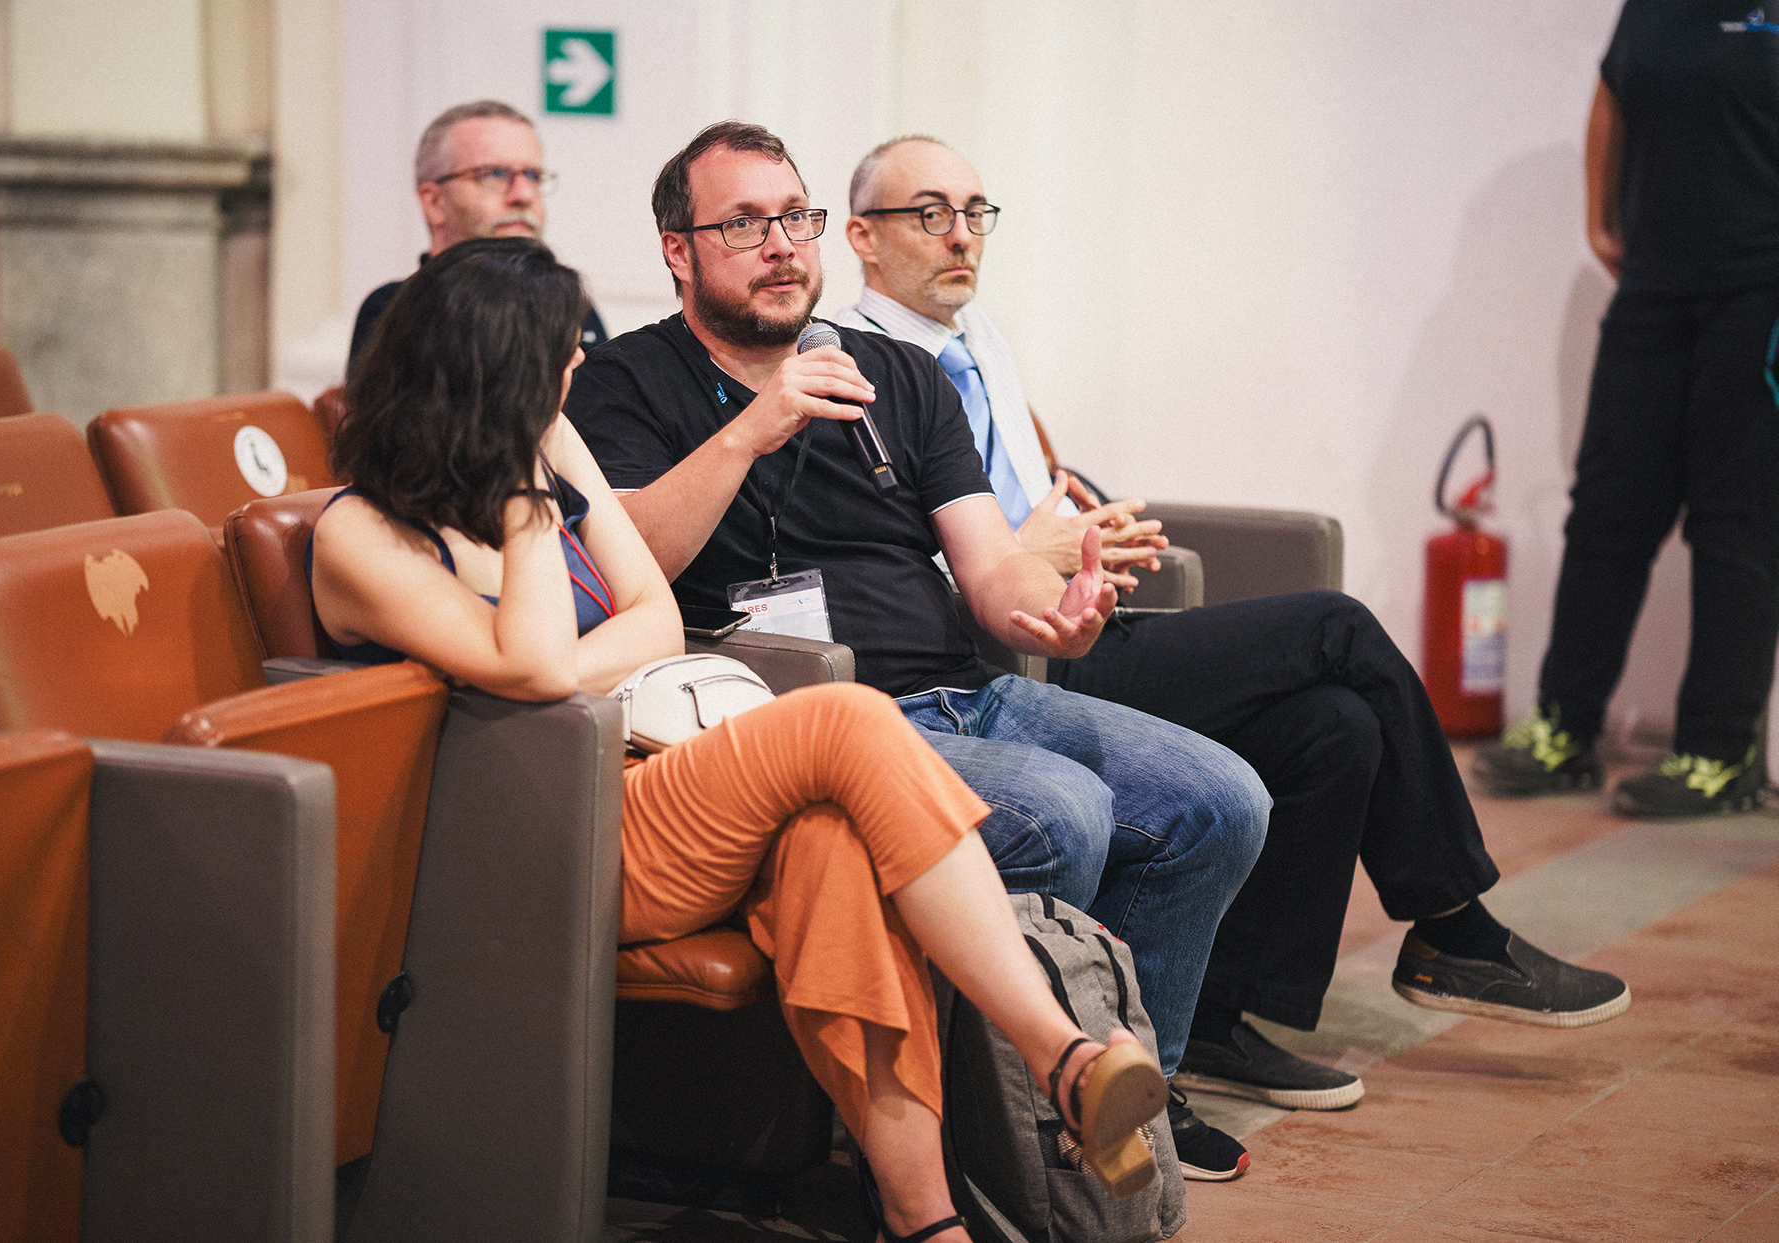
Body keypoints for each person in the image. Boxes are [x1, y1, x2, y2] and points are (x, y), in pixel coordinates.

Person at [307, 236, 1172, 1242]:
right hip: (550, 836)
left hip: (663, 786)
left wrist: (547, 635)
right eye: (557, 352)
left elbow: (651, 621)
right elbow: (542, 664)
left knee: (833, 850)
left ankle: (924, 1221)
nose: (578, 364)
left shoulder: (553, 446)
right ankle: (1059, 1054)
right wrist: (527, 502)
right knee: (845, 716)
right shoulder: (362, 534)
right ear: (495, 374)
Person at [835, 135, 1633, 1129]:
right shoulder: (856, 367)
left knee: (1335, 724)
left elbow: (1036, 494)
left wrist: (1090, 526)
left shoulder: (977, 336)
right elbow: (901, 573)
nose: (959, 235)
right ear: (862, 237)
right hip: (1021, 654)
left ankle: (1215, 1016)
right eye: (928, 213)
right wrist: (1034, 550)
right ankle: (1451, 923)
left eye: (974, 210)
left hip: (1098, 608)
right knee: (1339, 628)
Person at [565, 120, 1271, 1181]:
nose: (781, 246)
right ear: (679, 249)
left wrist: (1051, 612)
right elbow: (634, 562)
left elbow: (989, 573)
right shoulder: (624, 382)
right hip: (819, 720)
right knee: (1063, 814)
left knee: (1220, 800)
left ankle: (1131, 1099)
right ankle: (1016, 1126)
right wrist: (754, 426)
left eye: (793, 219)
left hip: (971, 694)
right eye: (744, 224)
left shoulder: (897, 372)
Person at [1475, 1, 1779, 817]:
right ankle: (1564, 728)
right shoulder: (1651, 5)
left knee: (1733, 519)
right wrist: (1599, 221)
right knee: (1609, 505)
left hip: (1759, 291)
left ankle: (1719, 752)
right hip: (1653, 284)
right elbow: (1612, 95)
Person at [345, 99, 608, 369]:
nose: (524, 195)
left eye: (532, 175)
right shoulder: (393, 309)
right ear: (434, 202)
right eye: (494, 174)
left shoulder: (568, 303)